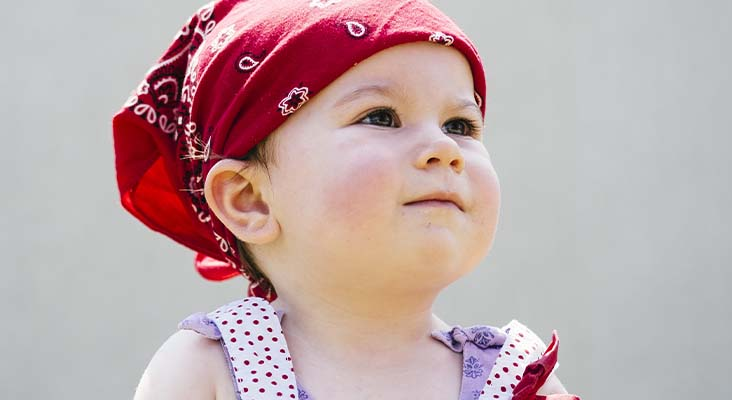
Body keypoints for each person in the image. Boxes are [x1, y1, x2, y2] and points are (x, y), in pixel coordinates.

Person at [112, 0, 580, 399]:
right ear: (249, 199)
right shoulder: (212, 369)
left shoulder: (516, 377)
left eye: (460, 126)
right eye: (381, 116)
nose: (445, 149)